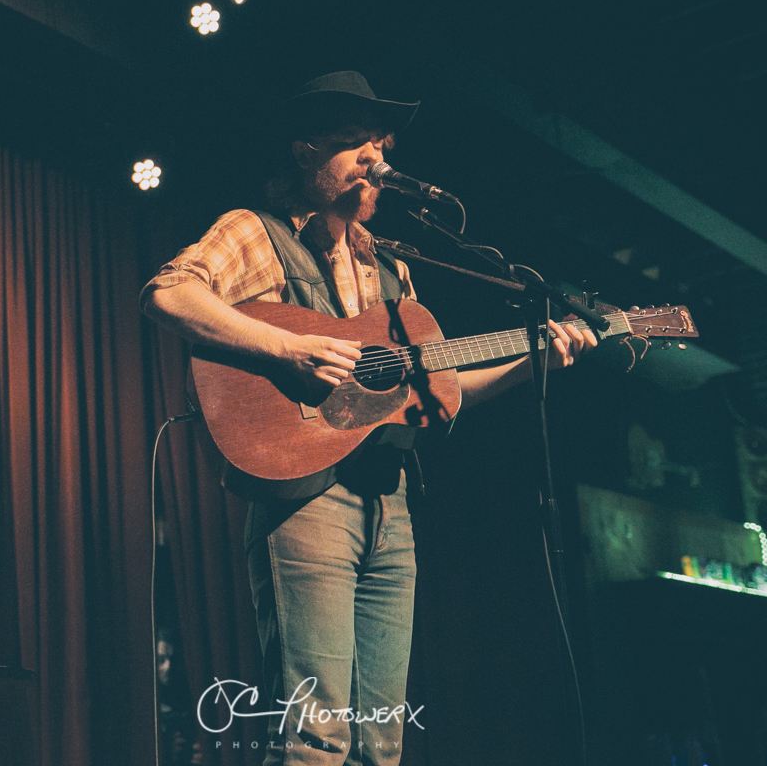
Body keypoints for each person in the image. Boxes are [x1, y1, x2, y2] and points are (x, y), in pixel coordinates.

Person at [141, 71, 596, 766]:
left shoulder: (392, 272)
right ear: (304, 152)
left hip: (392, 504)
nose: (375, 159)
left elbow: (439, 390)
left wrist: (537, 359)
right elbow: (169, 295)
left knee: (379, 746)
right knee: (316, 738)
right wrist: (287, 346)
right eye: (355, 143)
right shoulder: (254, 234)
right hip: (305, 500)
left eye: (380, 145)